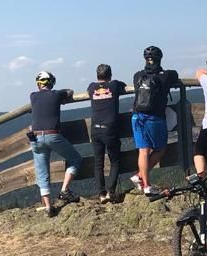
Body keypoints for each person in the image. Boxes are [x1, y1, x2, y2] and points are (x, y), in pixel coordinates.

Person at [28, 70, 82, 217]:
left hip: (36, 138)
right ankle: (64, 190)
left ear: (38, 84)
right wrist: (62, 94)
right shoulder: (57, 94)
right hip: (53, 135)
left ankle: (47, 206)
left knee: (42, 172)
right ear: (51, 83)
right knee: (75, 159)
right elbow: (70, 91)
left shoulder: (33, 96)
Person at [130, 45, 180, 194]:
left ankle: (145, 184)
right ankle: (139, 176)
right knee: (160, 149)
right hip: (154, 117)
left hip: (137, 116)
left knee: (143, 150)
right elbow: (175, 75)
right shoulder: (166, 75)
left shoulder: (137, 76)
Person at [87, 63, 127, 203]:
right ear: (110, 75)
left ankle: (101, 194)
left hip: (95, 128)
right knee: (115, 161)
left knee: (98, 163)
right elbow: (122, 84)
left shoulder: (91, 87)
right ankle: (111, 191)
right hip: (110, 128)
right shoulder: (114, 85)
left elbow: (92, 87)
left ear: (97, 75)